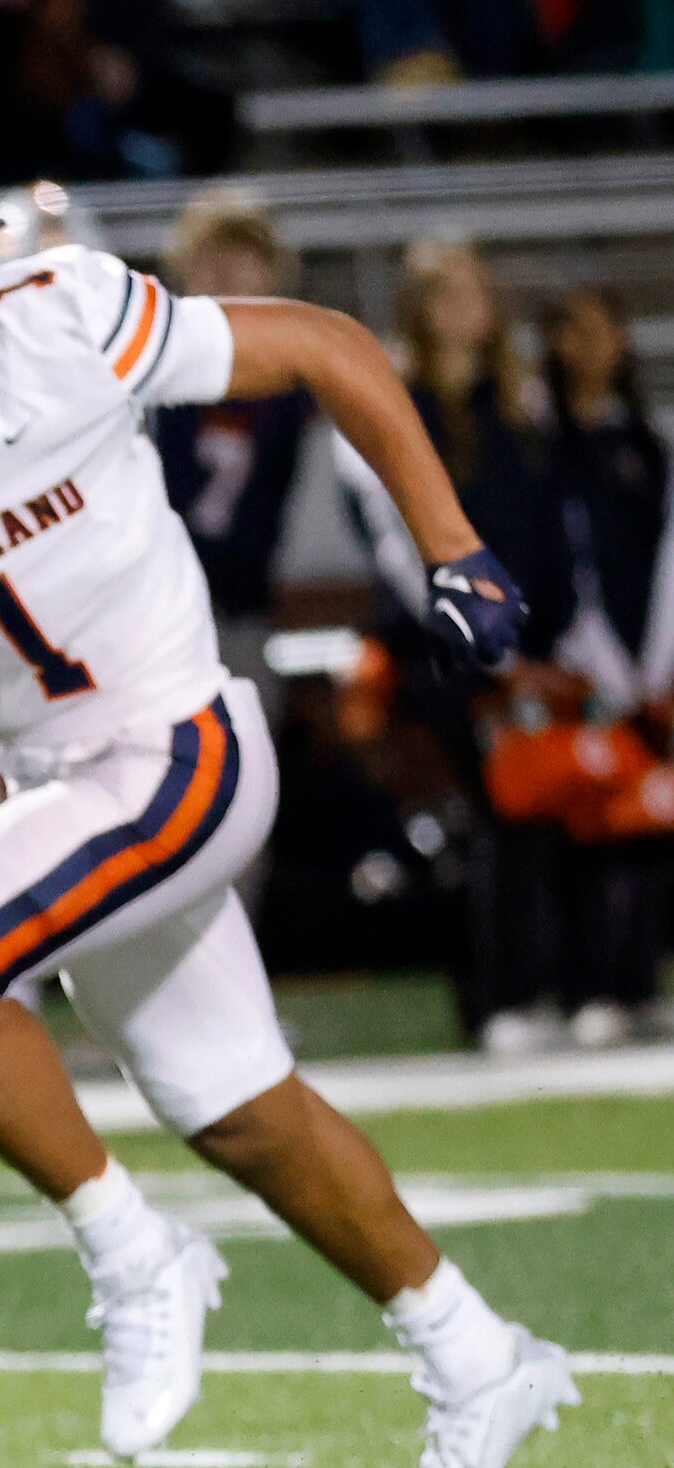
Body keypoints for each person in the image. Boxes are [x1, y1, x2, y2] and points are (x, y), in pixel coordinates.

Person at [0, 89, 573, 1468]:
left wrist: (451, 545)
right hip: (58, 784)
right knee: (236, 1111)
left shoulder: (56, 313)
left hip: (179, 739)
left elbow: (324, 345)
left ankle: (128, 1247)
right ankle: (475, 1353)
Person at [336, 239, 578, 1055]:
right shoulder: (396, 398)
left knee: (533, 814)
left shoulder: (514, 399)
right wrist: (477, 629)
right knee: (472, 824)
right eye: (447, 294)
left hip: (523, 642)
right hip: (441, 647)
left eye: (475, 291)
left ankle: (541, 985)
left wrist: (541, 635)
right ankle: (490, 997)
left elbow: (547, 526)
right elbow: (396, 537)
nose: (465, 309)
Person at [538, 284, 674, 1040]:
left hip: (646, 658)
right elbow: (565, 555)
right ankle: (581, 986)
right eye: (570, 332)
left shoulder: (644, 443)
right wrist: (589, 652)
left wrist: (654, 660)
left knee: (648, 824)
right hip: (578, 660)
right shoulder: (544, 442)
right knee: (579, 827)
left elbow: (657, 554)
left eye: (600, 331)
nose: (587, 348)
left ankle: (635, 980)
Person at [151, 190, 310, 693]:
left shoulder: (288, 379)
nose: (228, 271)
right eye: (212, 256)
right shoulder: (153, 362)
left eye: (243, 256)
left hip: (244, 602)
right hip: (152, 606)